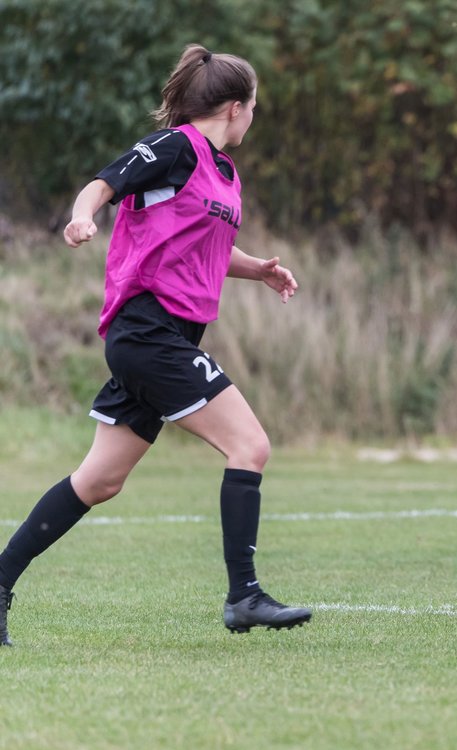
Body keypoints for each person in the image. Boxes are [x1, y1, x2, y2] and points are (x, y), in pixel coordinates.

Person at [0, 44, 311, 647]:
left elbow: (206, 247)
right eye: (254, 108)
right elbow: (104, 183)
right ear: (234, 107)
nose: (254, 118)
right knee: (249, 445)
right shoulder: (175, 147)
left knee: (98, 482)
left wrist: (261, 269)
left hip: (163, 337)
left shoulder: (224, 172)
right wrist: (82, 216)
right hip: (147, 332)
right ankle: (244, 596)